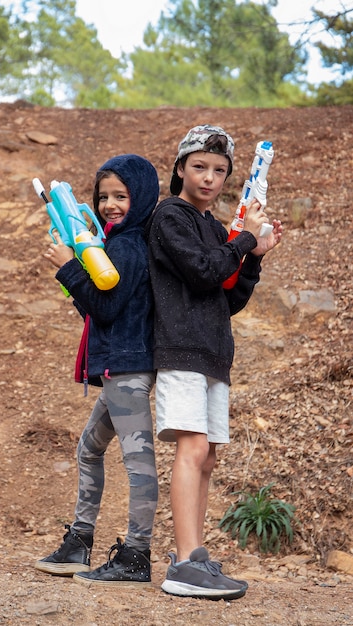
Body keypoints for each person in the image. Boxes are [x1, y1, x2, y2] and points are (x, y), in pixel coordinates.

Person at [146, 125, 283, 599]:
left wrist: (255, 256)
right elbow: (204, 271)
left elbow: (228, 296)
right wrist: (243, 239)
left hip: (213, 353)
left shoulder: (212, 227)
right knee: (194, 447)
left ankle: (197, 557)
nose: (209, 178)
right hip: (181, 348)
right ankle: (183, 563)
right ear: (180, 168)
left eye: (219, 171)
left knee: (208, 457)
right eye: (199, 167)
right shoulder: (170, 217)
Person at [35, 154, 160, 586]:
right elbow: (98, 308)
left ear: (140, 196)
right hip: (115, 368)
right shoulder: (115, 244)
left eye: (120, 195)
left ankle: (137, 556)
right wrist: (78, 271)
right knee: (89, 448)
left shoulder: (128, 245)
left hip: (127, 369)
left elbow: (105, 308)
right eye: (103, 196)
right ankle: (80, 543)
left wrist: (67, 266)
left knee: (138, 463)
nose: (109, 204)